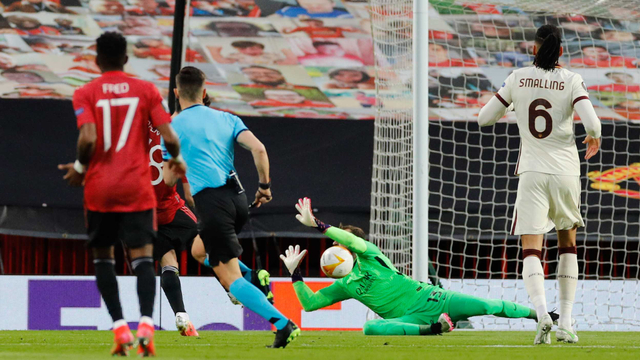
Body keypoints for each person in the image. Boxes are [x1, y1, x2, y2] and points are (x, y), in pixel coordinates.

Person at [57, 32, 185, 357]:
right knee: (143, 257)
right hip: (137, 188)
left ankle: (119, 329)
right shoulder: (146, 90)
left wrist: (80, 168)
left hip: (100, 188)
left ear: (97, 60)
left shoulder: (85, 93)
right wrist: (176, 159)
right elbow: (169, 135)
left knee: (104, 257)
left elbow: (87, 140)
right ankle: (145, 323)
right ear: (127, 59)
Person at [477, 24, 602, 344]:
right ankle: (568, 322)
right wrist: (593, 136)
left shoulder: (517, 77)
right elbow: (593, 123)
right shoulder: (572, 79)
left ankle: (543, 315)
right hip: (565, 172)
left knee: (531, 247)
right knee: (567, 243)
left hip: (532, 171)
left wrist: (515, 104)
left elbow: (483, 119)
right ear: (560, 51)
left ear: (534, 48)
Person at [162, 66, 300, 348]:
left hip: (213, 205)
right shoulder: (227, 118)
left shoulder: (172, 129)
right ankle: (254, 276)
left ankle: (282, 324)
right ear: (204, 91)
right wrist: (264, 187)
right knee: (200, 250)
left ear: (176, 93)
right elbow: (259, 149)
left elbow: (166, 179)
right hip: (238, 198)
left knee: (229, 277)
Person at [281, 198, 558, 337]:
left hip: (432, 298)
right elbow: (310, 304)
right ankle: (433, 330)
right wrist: (295, 274)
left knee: (486, 306)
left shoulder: (371, 255)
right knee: (370, 329)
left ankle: (541, 315)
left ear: (352, 249)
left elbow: (351, 239)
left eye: (342, 247)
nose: (338, 251)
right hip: (411, 319)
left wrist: (319, 225)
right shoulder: (344, 285)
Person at [208, 40, 297, 65]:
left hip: (268, 66)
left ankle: (288, 51)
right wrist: (215, 53)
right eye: (244, 49)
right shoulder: (237, 55)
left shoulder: (269, 55)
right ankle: (213, 50)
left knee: (290, 62)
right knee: (222, 61)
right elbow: (224, 61)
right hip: (245, 69)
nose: (249, 51)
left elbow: (283, 62)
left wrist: (287, 53)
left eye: (255, 48)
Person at [239, 65, 314, 89]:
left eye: (270, 73)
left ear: (281, 75)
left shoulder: (307, 89)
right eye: (253, 73)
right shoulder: (240, 88)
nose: (263, 75)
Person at [299, 41, 364, 66]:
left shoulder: (352, 58)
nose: (333, 51)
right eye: (326, 50)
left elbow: (360, 63)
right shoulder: (313, 57)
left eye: (336, 49)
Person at [570, 45, 639, 68]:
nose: (597, 53)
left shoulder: (621, 59)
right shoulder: (578, 61)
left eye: (601, 51)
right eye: (592, 52)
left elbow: (636, 61)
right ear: (585, 53)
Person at [249, 89, 334, 108]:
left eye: (290, 96)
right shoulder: (258, 104)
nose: (285, 98)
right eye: (278, 96)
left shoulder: (321, 105)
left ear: (301, 97)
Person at [283, 18, 364, 38]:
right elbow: (287, 32)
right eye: (312, 22)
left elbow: (346, 30)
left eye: (318, 23)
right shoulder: (305, 28)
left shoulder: (331, 28)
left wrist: (357, 31)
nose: (315, 24)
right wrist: (286, 30)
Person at [275, 0, 352, 18]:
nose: (314, 6)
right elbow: (269, 20)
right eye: (307, 4)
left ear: (333, 3)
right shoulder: (289, 10)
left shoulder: (344, 16)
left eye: (320, 5)